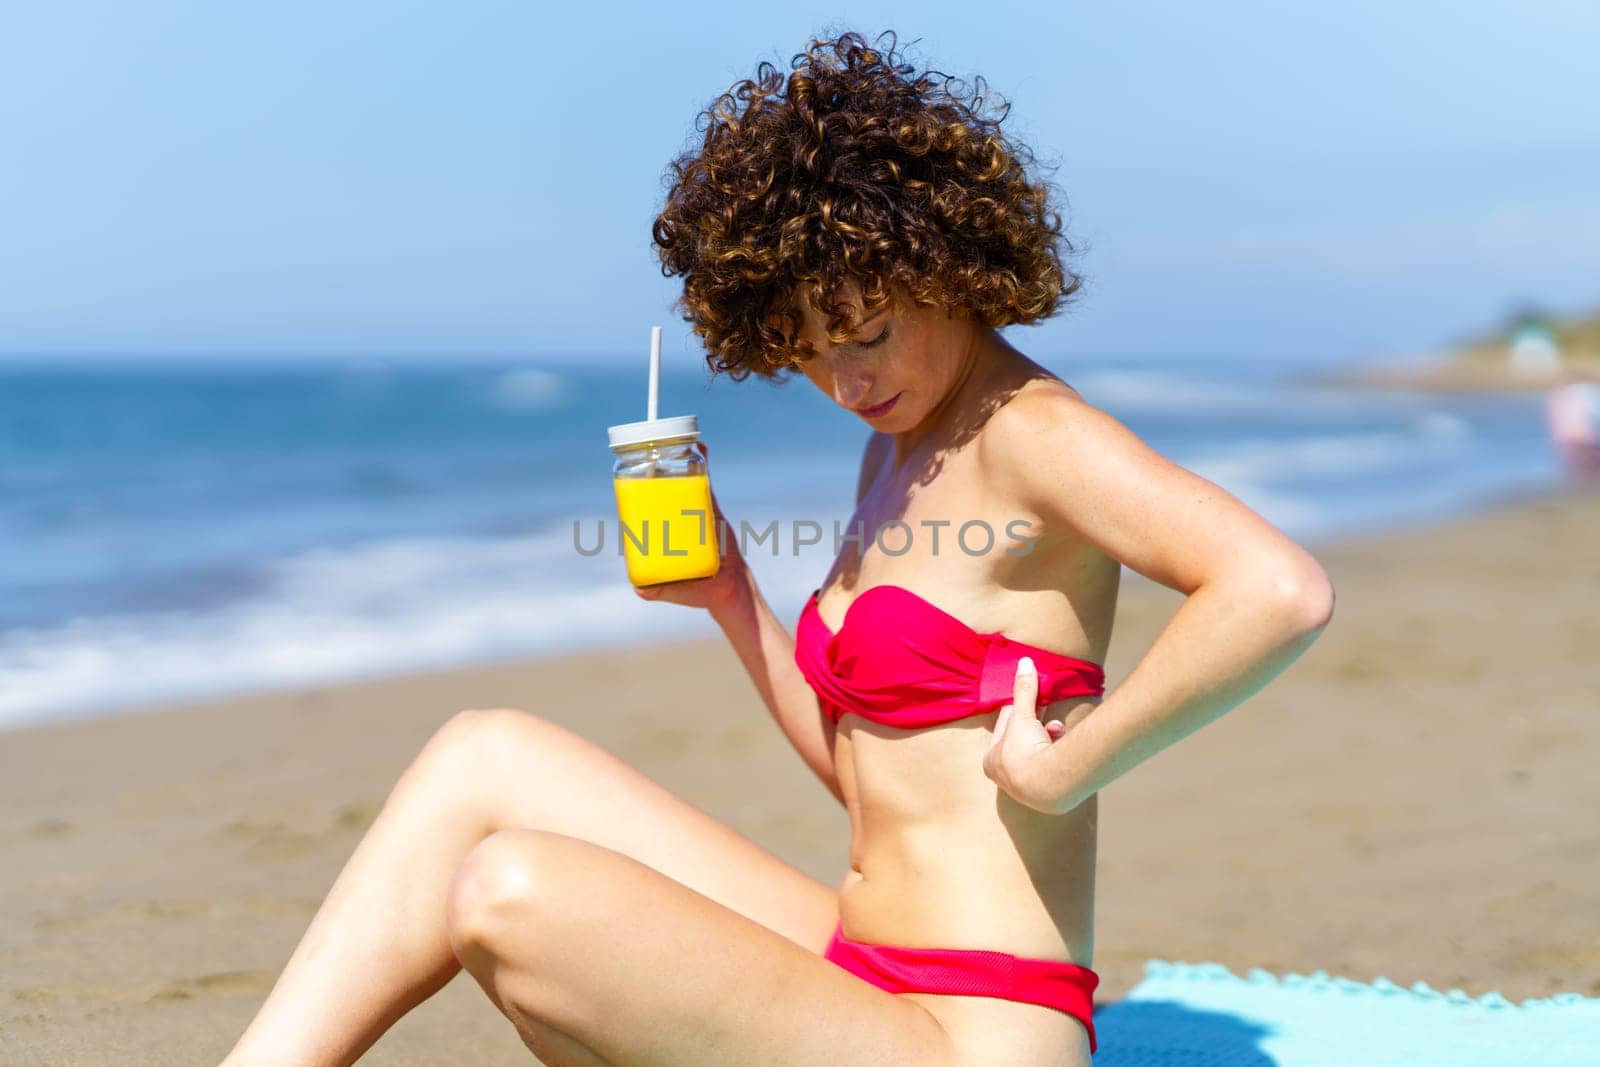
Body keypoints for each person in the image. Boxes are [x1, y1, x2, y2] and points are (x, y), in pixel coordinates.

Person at [221, 30, 1335, 1066]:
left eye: (867, 335)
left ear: (943, 259)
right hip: (862, 966)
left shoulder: (1034, 434)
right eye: (806, 355)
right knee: (484, 752)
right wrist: (734, 598)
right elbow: (876, 779)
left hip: (978, 1028)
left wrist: (1068, 768)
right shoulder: (899, 442)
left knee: (510, 888)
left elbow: (1276, 589)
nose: (848, 384)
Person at [1545, 368, 1600, 482]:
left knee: (1578, 463)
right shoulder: (1581, 392)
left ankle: (1580, 484)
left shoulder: (1555, 397)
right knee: (1588, 463)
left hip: (1565, 438)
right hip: (1581, 436)